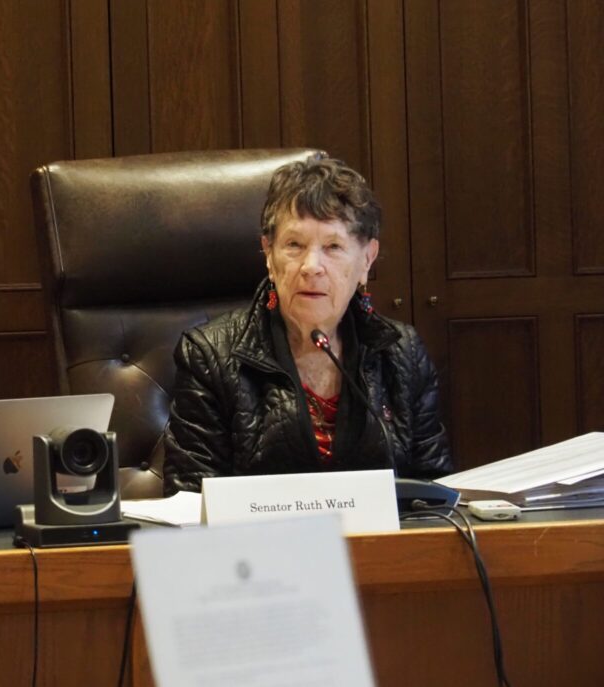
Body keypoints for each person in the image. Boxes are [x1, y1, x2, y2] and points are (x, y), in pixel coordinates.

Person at [164, 157, 452, 494]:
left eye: (333, 247)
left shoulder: (402, 353)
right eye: (294, 245)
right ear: (269, 255)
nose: (311, 266)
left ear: (367, 259)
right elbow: (189, 500)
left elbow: (433, 492)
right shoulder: (209, 356)